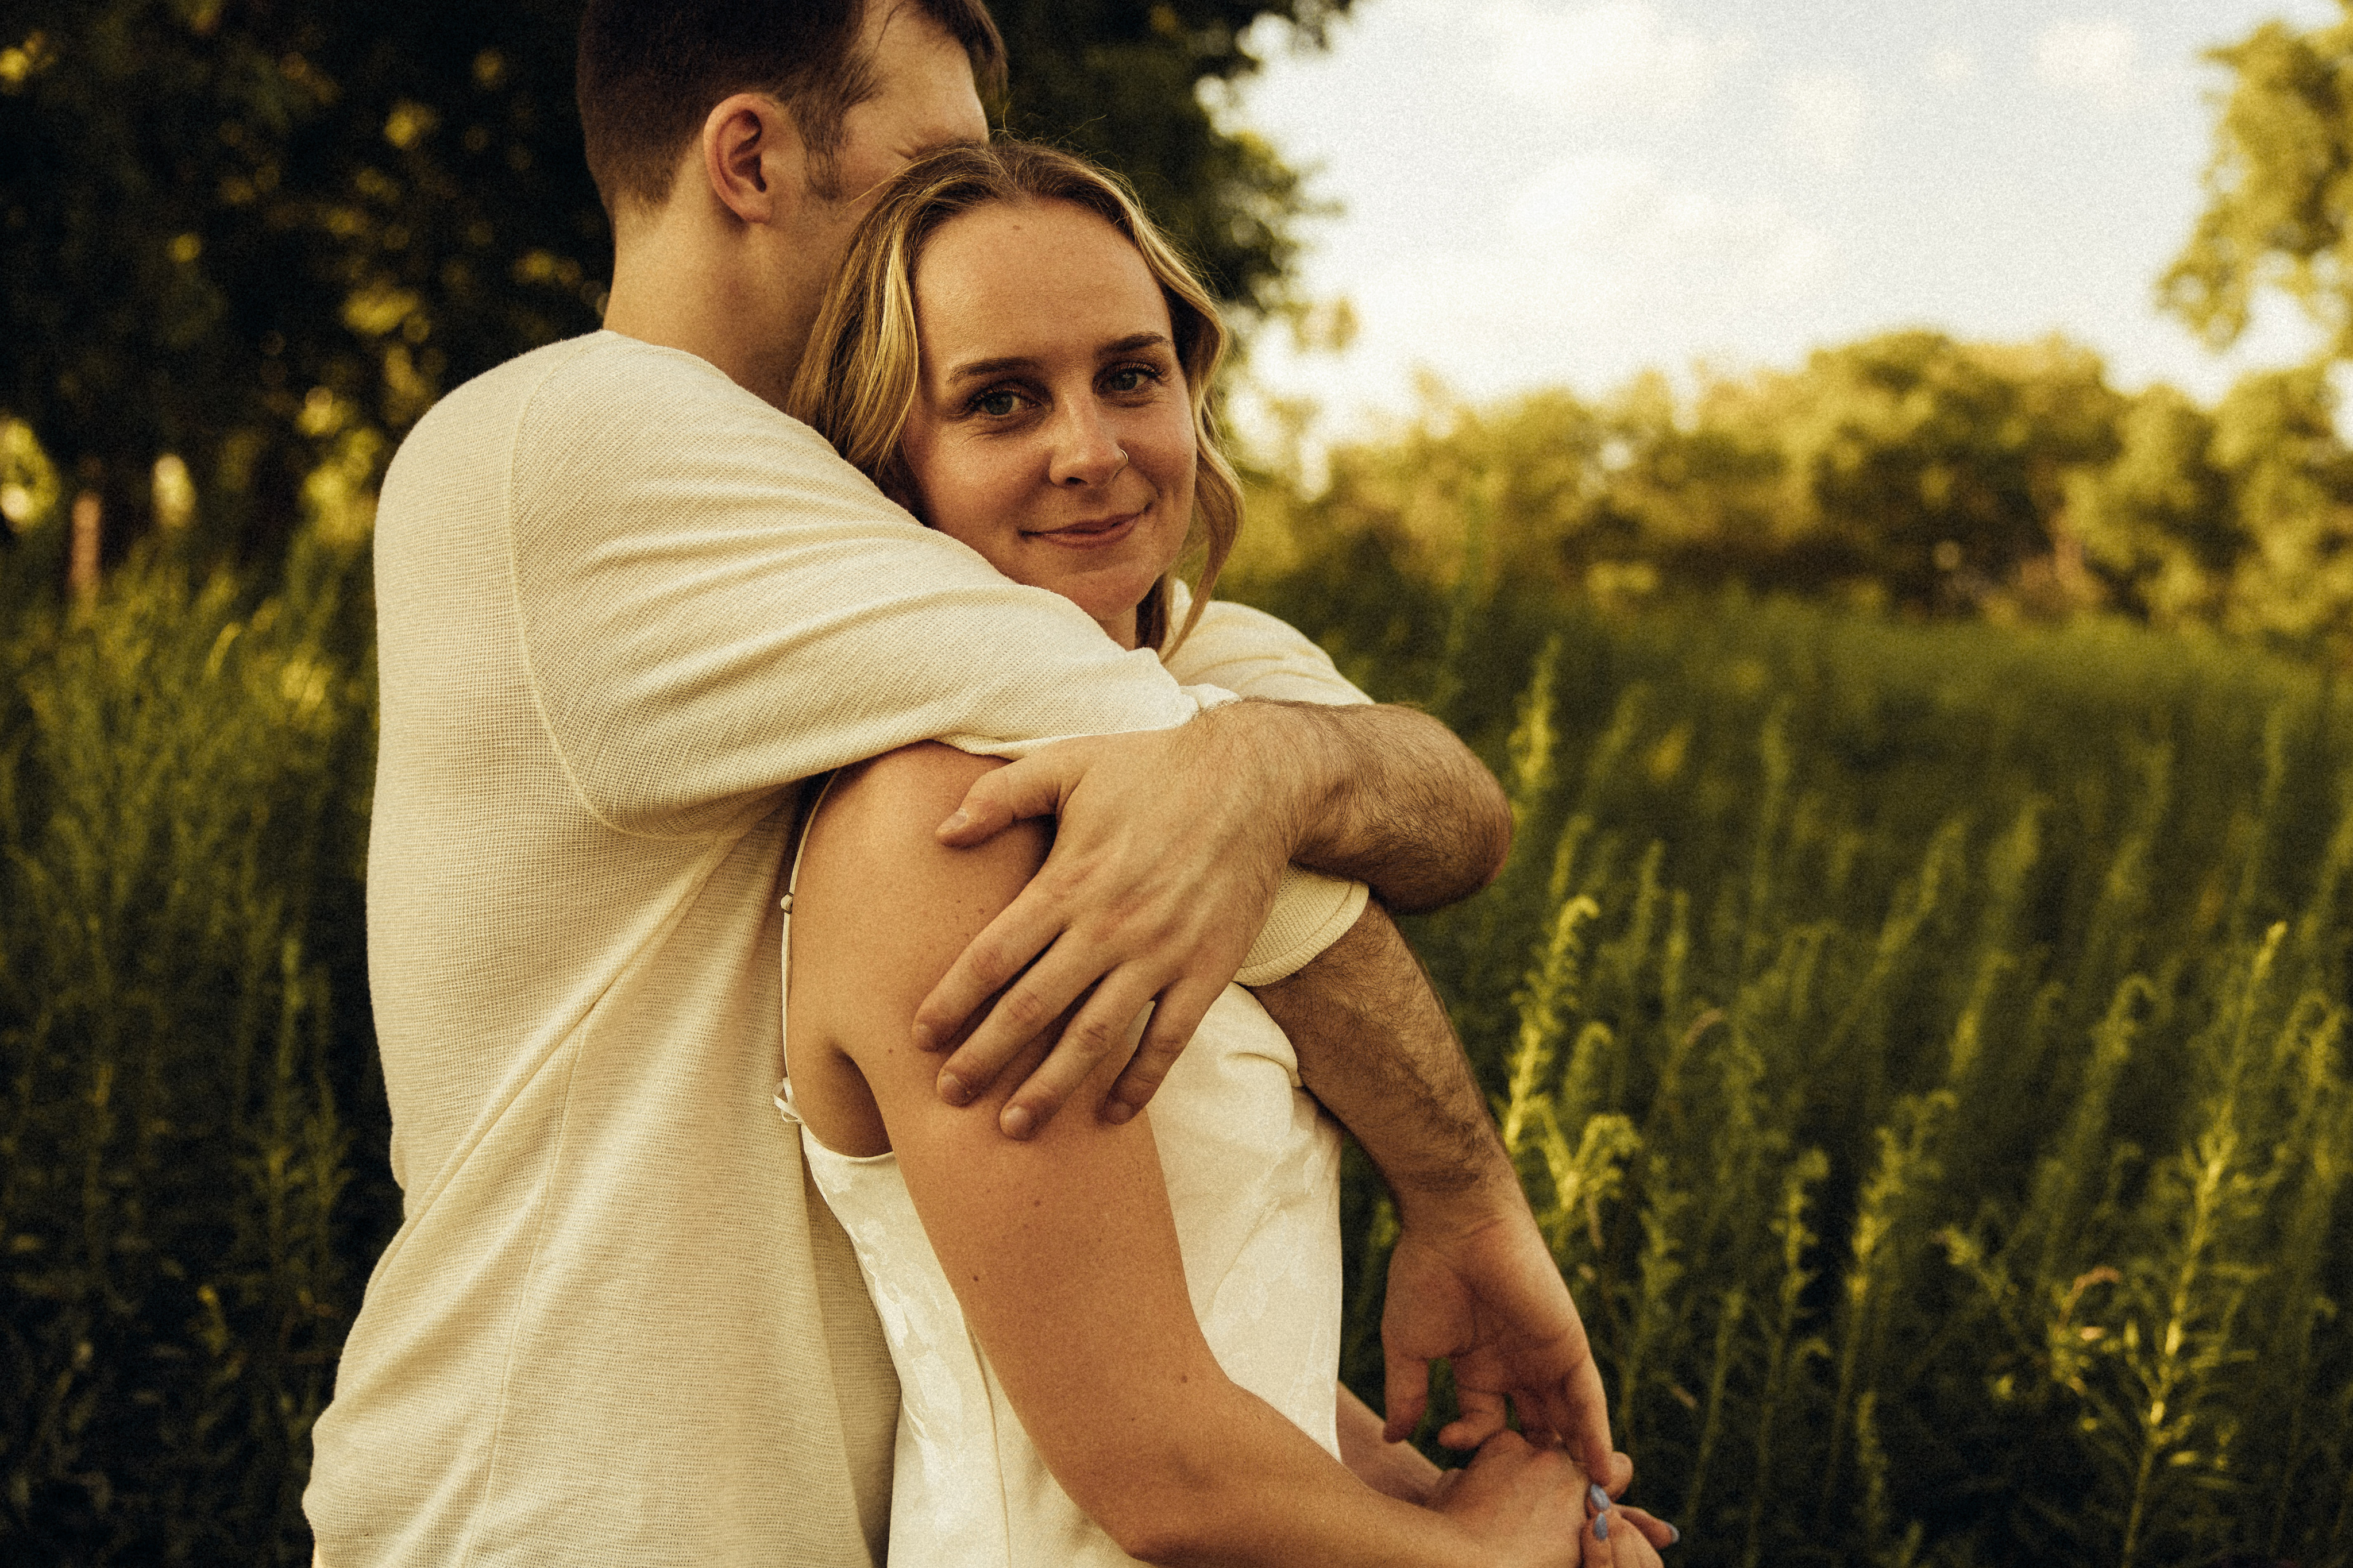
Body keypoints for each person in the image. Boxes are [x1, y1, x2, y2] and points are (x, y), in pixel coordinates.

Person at [305, 3, 1623, 1563]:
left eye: (1132, 375)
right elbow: (1181, 777)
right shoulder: (577, 445)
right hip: (551, 1516)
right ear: (752, 157)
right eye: (936, 162)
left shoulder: (953, 603)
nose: (971, 210)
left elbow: (1440, 809)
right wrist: (1463, 1204)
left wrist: (1268, 758)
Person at [778, 136, 1676, 1566]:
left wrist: (1422, 1490)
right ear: (897, 455)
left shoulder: (1199, 713)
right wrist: (1501, 1553)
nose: (1092, 449)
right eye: (1001, 401)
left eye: (1130, 376)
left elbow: (1158, 1319)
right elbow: (1160, 1474)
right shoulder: (936, 831)